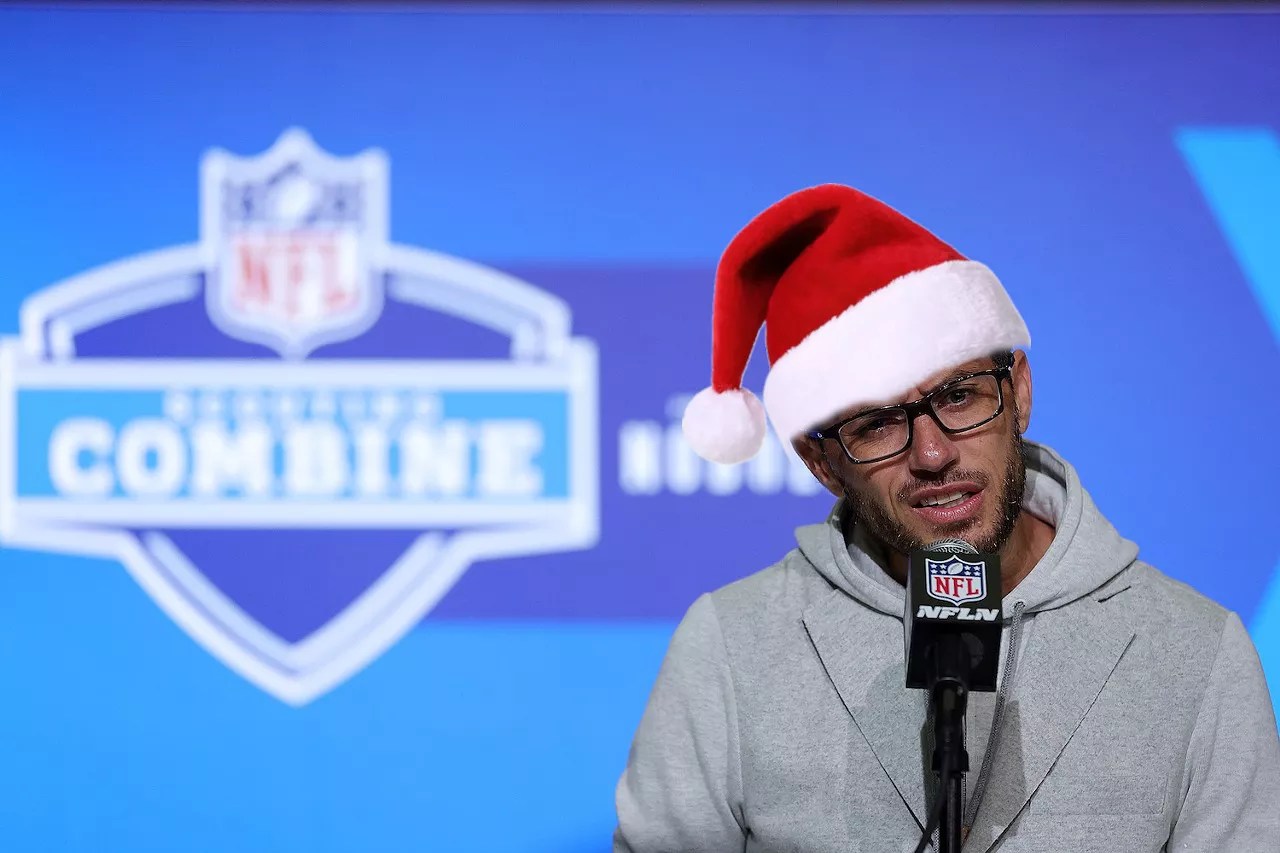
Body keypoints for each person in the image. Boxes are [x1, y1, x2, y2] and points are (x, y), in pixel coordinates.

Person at [613, 184, 1280, 852]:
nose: (933, 454)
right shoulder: (732, 648)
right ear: (821, 462)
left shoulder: (1195, 652)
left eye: (959, 395)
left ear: (1018, 389)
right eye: (876, 424)